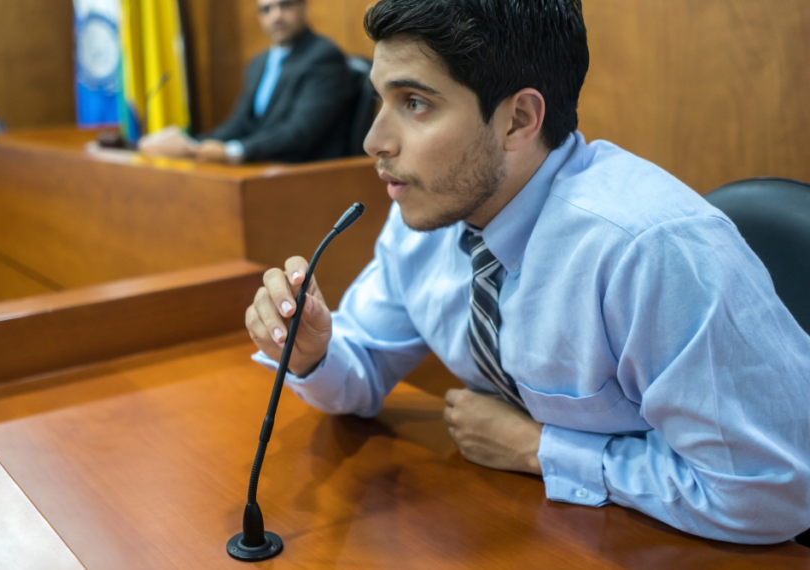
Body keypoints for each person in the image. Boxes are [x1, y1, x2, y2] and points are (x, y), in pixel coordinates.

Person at [244, 0, 810, 545]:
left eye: (414, 103)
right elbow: (364, 364)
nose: (374, 141)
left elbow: (768, 492)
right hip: (529, 529)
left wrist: (540, 449)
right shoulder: (429, 215)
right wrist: (311, 352)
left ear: (518, 120)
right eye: (381, 100)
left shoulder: (648, 250)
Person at [138, 0, 356, 164]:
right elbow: (240, 124)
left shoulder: (324, 57)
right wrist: (191, 145)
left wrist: (233, 151)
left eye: (285, 5)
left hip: (306, 173)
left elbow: (299, 132)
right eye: (266, 9)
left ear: (304, 7)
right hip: (264, 168)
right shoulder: (258, 63)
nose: (276, 16)